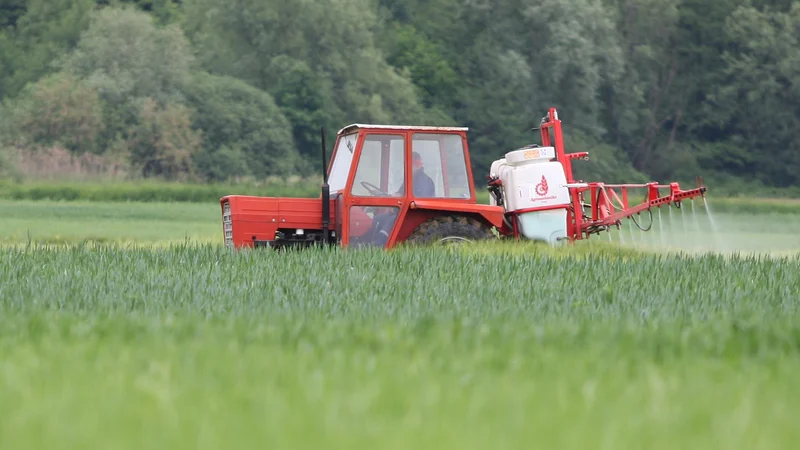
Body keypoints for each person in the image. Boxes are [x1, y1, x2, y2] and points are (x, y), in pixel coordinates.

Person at [371, 151, 436, 245]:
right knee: (379, 218)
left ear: (417, 164)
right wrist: (390, 196)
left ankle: (380, 244)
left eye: (409, 164)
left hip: (415, 214)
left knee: (391, 221)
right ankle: (370, 244)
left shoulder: (424, 180)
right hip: (404, 211)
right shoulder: (410, 179)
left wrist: (397, 197)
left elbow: (418, 199)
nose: (406, 167)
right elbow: (400, 192)